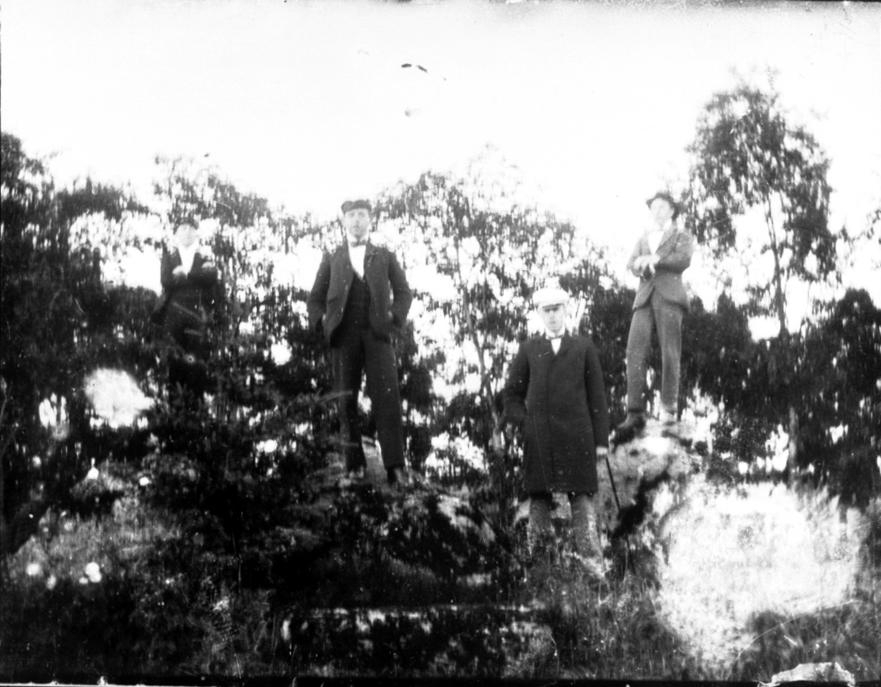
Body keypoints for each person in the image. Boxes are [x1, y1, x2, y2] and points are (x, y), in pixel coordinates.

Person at [503, 285, 610, 576]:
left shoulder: (584, 348)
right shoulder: (529, 349)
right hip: (541, 440)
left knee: (582, 502)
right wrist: (526, 424)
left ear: (566, 310)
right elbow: (511, 395)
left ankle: (593, 572)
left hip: (578, 438)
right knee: (538, 502)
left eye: (556, 309)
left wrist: (601, 441)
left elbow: (597, 397)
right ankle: (539, 573)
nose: (552, 316)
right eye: (546, 311)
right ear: (539, 314)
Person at [307, 199, 413, 486]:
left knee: (388, 398)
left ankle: (395, 467)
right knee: (346, 399)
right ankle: (354, 466)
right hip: (344, 335)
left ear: (370, 220)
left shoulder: (384, 256)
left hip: (378, 335)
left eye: (362, 215)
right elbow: (314, 299)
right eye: (351, 215)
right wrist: (324, 323)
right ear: (344, 221)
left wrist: (393, 316)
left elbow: (404, 293)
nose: (356, 220)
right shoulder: (332, 257)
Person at [615, 191, 695, 442]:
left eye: (662, 207)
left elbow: (683, 259)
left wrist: (656, 259)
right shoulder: (643, 237)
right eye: (654, 207)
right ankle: (634, 412)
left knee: (669, 352)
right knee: (634, 350)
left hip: (669, 296)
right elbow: (631, 263)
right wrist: (640, 264)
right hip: (644, 296)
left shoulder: (682, 235)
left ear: (672, 210)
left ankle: (668, 410)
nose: (657, 211)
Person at [156, 218, 220, 402]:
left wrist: (186, 274)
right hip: (174, 313)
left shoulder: (204, 255)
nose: (186, 232)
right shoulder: (170, 256)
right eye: (182, 228)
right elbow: (165, 280)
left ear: (196, 233)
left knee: (196, 361)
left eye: (190, 228)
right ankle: (174, 407)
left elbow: (211, 277)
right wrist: (196, 277)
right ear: (176, 234)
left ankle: (196, 407)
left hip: (197, 313)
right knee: (174, 358)